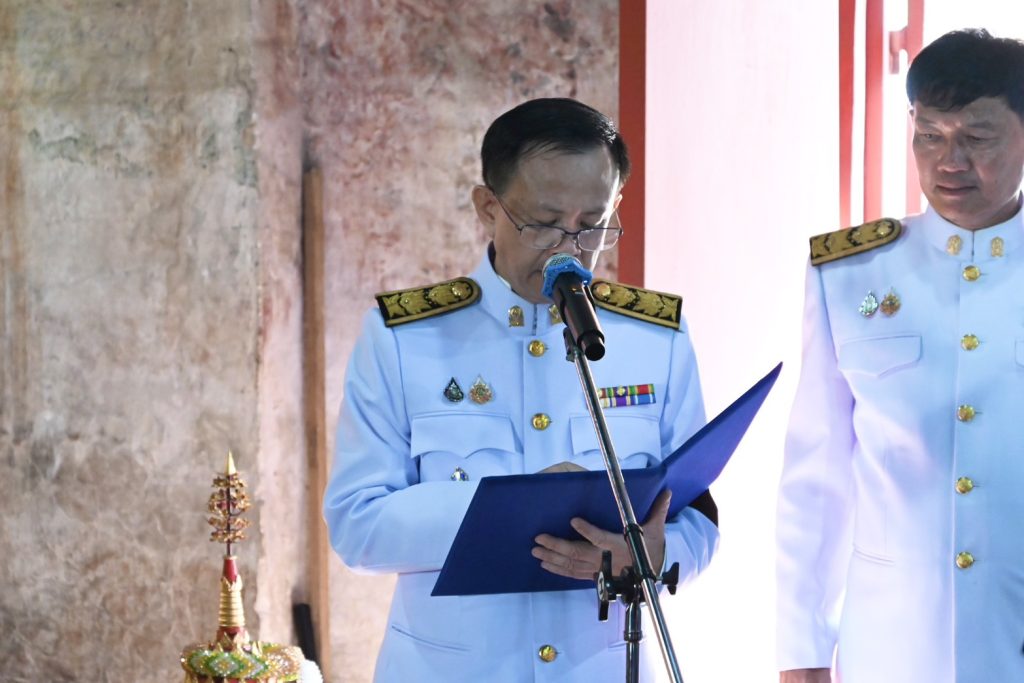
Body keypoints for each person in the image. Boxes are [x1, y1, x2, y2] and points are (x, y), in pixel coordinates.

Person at [323, 98, 719, 682]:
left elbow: (697, 516)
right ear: (489, 207)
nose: (568, 247)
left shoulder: (654, 339)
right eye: (544, 222)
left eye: (592, 225)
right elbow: (357, 524)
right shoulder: (405, 339)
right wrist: (505, 508)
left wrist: (655, 554)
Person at [776, 29, 1024, 682]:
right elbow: (817, 474)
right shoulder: (851, 272)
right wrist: (801, 650)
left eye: (977, 137)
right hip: (893, 646)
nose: (949, 161)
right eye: (929, 135)